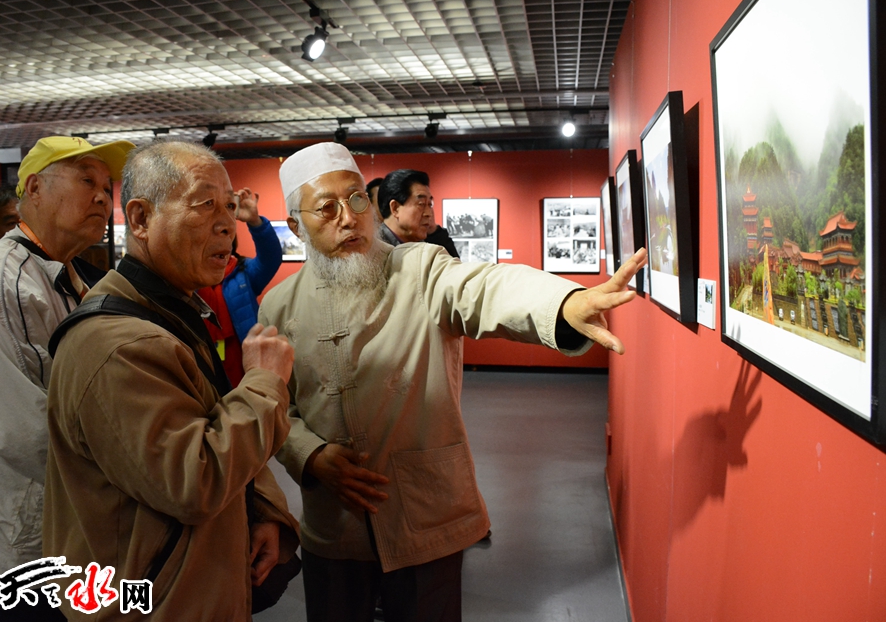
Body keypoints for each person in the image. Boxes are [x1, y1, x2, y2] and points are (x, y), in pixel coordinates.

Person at [258, 142, 648, 622]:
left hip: (425, 514)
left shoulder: (418, 268)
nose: (349, 218)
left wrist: (565, 304)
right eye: (326, 208)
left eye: (357, 199)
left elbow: (484, 288)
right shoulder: (277, 307)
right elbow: (276, 407)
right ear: (295, 225)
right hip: (334, 523)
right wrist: (311, 456)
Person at [43, 140, 299, 620]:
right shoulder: (119, 346)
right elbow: (195, 480)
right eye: (205, 205)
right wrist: (265, 381)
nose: (227, 225)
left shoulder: (171, 310)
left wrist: (261, 509)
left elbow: (210, 418)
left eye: (229, 206)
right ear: (141, 219)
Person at [0, 135, 135, 621]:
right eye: (86, 180)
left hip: (63, 535)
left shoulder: (69, 276)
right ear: (34, 189)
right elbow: (18, 426)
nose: (101, 197)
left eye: (105, 186)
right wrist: (138, 468)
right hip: (12, 546)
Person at [198, 187, 283, 386]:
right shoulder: (190, 276)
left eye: (226, 237)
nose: (220, 243)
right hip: (202, 359)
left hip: (243, 360)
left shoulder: (243, 272)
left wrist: (255, 221)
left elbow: (270, 257)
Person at [376, 169, 433, 245]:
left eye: (430, 204)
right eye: (421, 204)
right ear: (395, 208)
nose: (429, 213)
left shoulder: (426, 249)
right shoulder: (373, 248)